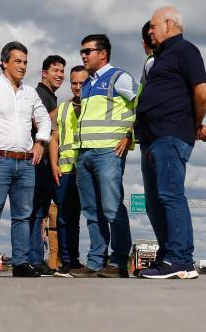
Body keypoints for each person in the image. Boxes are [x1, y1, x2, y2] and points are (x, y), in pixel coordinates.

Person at [135, 6, 206, 280]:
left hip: (170, 136)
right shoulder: (160, 58)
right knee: (153, 202)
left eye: (153, 27)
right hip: (152, 138)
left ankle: (179, 260)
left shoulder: (185, 50)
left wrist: (193, 125)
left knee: (170, 196)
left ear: (168, 24)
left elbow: (203, 93)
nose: (150, 31)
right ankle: (168, 255)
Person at [0, 42, 51, 277]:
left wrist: (40, 142)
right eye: (18, 61)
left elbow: (44, 119)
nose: (22, 66)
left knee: (23, 215)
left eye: (25, 62)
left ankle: (20, 262)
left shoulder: (30, 92)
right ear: (4, 62)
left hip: (26, 162)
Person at [70, 34, 137, 278]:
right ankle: (96, 262)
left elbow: (142, 104)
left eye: (88, 51)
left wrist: (130, 135)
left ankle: (119, 263)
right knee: (91, 211)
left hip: (108, 152)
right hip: (85, 154)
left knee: (111, 208)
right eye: (82, 52)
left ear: (103, 54)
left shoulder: (119, 78)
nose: (83, 56)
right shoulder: (87, 84)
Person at [49, 65, 89, 277]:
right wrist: (54, 164)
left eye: (81, 83)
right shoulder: (62, 109)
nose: (77, 87)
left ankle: (95, 261)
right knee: (65, 218)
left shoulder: (95, 106)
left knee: (92, 216)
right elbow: (54, 139)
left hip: (87, 170)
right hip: (65, 171)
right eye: (73, 83)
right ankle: (68, 262)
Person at [28, 55, 66, 275]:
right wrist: (65, 110)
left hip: (46, 163)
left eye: (62, 71)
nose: (59, 75)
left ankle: (36, 258)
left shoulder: (50, 96)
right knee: (35, 212)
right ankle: (34, 258)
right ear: (44, 73)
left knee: (40, 212)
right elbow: (41, 121)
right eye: (55, 70)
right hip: (39, 163)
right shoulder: (39, 94)